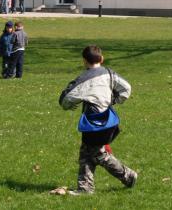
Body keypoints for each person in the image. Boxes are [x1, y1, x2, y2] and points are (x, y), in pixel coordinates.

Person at [54, 45, 137, 196]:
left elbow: (67, 98)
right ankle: (85, 188)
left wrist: (69, 105)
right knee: (87, 153)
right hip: (109, 120)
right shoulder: (110, 74)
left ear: (84, 61)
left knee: (99, 154)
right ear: (102, 59)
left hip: (94, 123)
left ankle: (128, 176)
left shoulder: (84, 78)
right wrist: (114, 99)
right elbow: (126, 88)